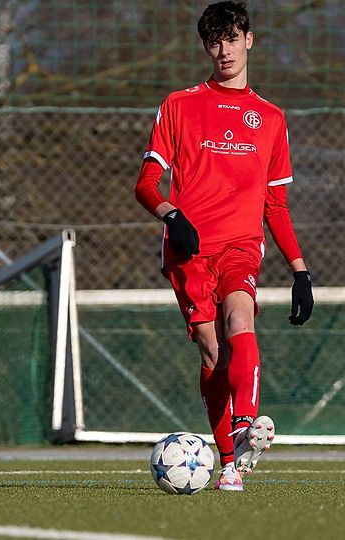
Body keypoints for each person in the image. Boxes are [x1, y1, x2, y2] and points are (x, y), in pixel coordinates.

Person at [134, 0, 313, 492]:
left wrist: (300, 271)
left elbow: (276, 205)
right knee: (213, 353)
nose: (224, 51)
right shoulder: (179, 105)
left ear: (248, 40)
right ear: (205, 48)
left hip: (241, 246)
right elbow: (146, 184)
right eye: (214, 42)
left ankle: (242, 434)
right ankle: (230, 460)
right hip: (189, 250)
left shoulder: (271, 118)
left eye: (232, 39)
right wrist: (171, 214)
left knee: (240, 319)